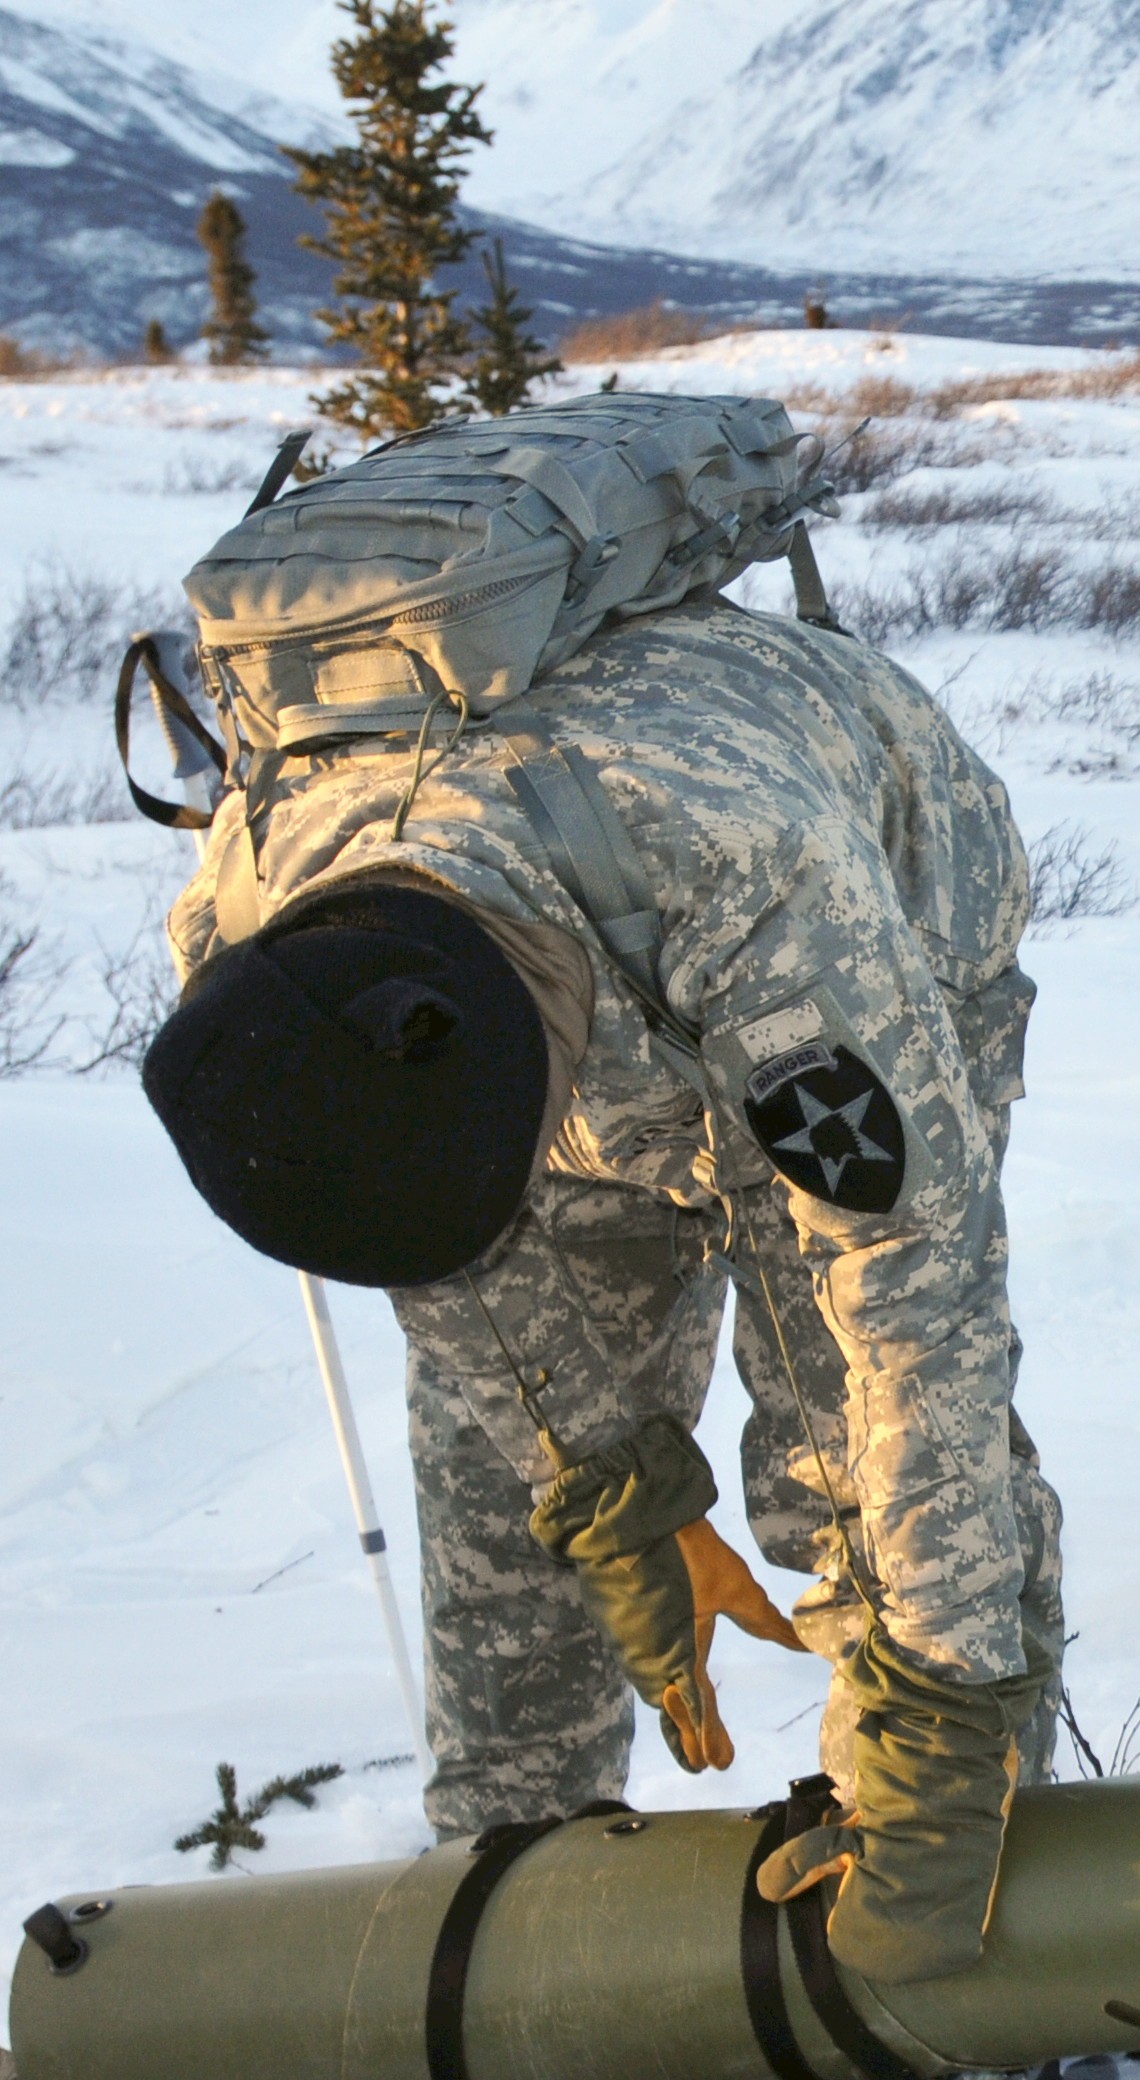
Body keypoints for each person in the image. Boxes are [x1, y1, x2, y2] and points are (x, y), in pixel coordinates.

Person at [140, 595, 1058, 1984]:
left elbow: (918, 1312)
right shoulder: (256, 950)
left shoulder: (759, 894)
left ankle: (952, 1931)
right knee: (511, 1496)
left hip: (836, 950)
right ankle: (508, 1931)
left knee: (846, 1469)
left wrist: (937, 1713)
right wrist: (606, 1476)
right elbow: (433, 1250)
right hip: (540, 1004)